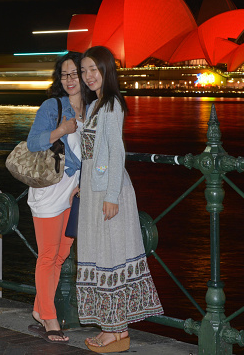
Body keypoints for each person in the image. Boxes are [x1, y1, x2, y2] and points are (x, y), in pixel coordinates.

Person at [76, 46, 163, 353]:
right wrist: (81, 185)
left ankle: (117, 332)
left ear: (106, 71)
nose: (88, 76)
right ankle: (109, 327)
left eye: (93, 70)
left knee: (111, 255)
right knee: (101, 255)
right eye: (84, 70)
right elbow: (90, 155)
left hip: (108, 191)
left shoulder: (112, 104)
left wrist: (111, 196)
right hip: (92, 189)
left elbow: (117, 153)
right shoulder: (94, 105)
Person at [25, 51, 92, 343]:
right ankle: (50, 319)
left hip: (73, 193)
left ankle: (40, 310)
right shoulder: (53, 107)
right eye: (64, 75)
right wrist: (61, 130)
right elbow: (33, 141)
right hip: (49, 190)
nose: (70, 80)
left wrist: (85, 183)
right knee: (48, 255)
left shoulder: (91, 109)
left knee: (62, 254)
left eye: (75, 73)